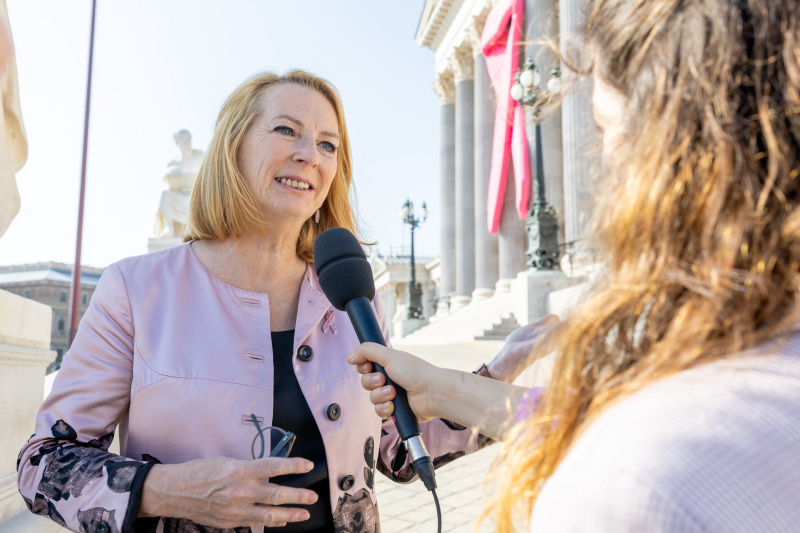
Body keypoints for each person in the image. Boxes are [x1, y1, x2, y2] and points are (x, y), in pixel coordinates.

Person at [16, 70, 534, 533]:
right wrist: (168, 489)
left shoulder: (351, 296)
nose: (310, 154)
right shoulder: (135, 288)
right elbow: (43, 465)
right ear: (233, 146)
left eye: (329, 144)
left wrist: (501, 370)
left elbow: (399, 449)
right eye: (287, 130)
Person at [351, 1, 800, 531]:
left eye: (604, 126)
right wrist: (445, 389)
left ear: (669, 151)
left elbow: (631, 444)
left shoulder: (630, 484)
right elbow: (587, 420)